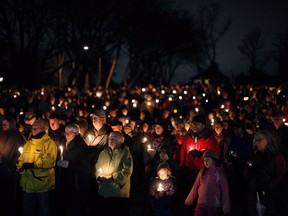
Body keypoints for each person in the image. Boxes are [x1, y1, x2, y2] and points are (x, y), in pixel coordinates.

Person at [17, 119, 57, 216]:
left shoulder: (49, 143)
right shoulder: (28, 143)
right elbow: (21, 158)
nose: (33, 129)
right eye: (32, 128)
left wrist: (33, 164)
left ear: (43, 129)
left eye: (36, 127)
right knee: (28, 211)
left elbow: (49, 161)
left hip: (41, 184)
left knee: (43, 211)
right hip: (27, 184)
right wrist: (19, 167)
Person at [244, 129, 288, 215]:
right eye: (255, 140)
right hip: (255, 195)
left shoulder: (277, 157)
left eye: (260, 140)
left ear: (268, 140)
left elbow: (281, 175)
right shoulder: (254, 156)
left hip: (273, 197)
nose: (257, 143)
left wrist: (267, 188)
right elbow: (249, 174)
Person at [95, 131, 133, 216]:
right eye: (110, 138)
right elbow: (97, 168)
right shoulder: (103, 153)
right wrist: (99, 177)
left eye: (114, 139)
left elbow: (127, 171)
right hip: (104, 192)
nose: (111, 140)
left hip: (118, 193)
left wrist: (112, 176)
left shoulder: (125, 153)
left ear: (120, 141)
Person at [56, 123, 90, 216]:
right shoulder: (64, 143)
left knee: (74, 209)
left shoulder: (81, 147)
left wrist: (68, 165)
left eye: (69, 133)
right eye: (65, 132)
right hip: (65, 183)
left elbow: (85, 169)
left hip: (76, 185)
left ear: (76, 133)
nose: (66, 135)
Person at [185, 150, 230, 216]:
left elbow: (225, 191)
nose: (205, 162)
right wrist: (189, 200)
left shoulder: (219, 174)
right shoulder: (202, 172)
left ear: (214, 160)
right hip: (201, 204)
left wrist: (226, 207)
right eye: (204, 160)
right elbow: (195, 186)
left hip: (214, 205)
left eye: (208, 160)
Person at [0, 115, 26, 216]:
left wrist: (11, 168)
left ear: (11, 124)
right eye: (3, 123)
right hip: (2, 169)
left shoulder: (18, 136)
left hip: (10, 171)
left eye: (7, 123)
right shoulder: (2, 134)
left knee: (10, 196)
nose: (4, 125)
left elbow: (20, 154)